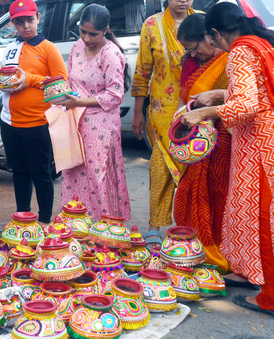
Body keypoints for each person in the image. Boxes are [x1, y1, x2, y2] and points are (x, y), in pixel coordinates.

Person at [181, 2, 274, 315]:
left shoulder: (240, 51)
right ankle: (248, 273)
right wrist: (219, 95)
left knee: (261, 219)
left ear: (217, 33)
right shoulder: (260, 44)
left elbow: (246, 106)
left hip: (257, 147)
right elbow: (255, 94)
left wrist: (204, 112)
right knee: (244, 211)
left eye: (212, 38)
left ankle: (270, 297)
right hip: (257, 142)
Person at [131, 0, 196, 248]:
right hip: (160, 112)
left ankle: (189, 224)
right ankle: (154, 225)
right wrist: (138, 112)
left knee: (193, 169)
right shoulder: (152, 25)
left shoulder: (201, 20)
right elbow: (143, 71)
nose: (183, 0)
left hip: (195, 108)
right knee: (159, 168)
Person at [0, 0, 68, 226]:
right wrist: (0, 81)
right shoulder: (10, 47)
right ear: (13, 24)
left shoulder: (48, 48)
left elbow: (61, 85)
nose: (26, 26)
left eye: (29, 20)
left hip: (37, 123)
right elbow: (9, 78)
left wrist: (30, 80)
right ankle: (23, 218)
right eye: (20, 22)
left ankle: (45, 221)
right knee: (19, 173)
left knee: (40, 174)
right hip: (8, 122)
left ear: (38, 18)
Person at [59, 4, 131, 221]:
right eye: (83, 31)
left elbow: (115, 94)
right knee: (73, 172)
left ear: (106, 29)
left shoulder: (110, 54)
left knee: (98, 176)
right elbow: (71, 80)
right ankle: (76, 226)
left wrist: (79, 101)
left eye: (93, 34)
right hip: (75, 120)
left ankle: (104, 229)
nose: (87, 38)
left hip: (101, 125)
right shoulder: (77, 47)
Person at [172, 13, 231, 273]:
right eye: (189, 51)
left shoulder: (229, 60)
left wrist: (209, 105)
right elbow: (186, 94)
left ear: (210, 37)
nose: (194, 54)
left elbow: (241, 102)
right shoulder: (193, 62)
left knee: (219, 192)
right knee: (190, 192)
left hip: (223, 138)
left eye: (195, 48)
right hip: (197, 138)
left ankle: (218, 249)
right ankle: (192, 243)